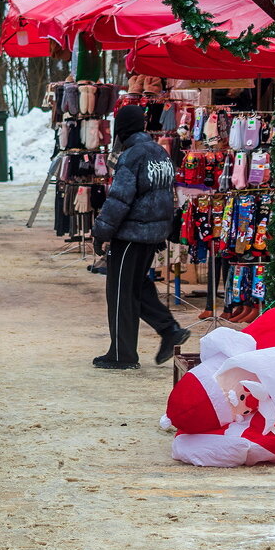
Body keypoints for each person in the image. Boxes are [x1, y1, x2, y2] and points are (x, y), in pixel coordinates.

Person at [91, 105, 190, 369]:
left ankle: (122, 355)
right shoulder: (159, 152)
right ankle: (169, 330)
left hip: (131, 234)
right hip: (152, 233)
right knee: (137, 288)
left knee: (120, 291)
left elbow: (119, 200)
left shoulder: (132, 156)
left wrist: (101, 232)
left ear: (122, 129)